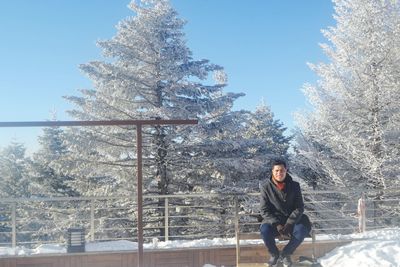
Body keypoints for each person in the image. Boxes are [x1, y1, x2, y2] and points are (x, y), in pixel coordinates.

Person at [259, 158, 311, 267]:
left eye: (282, 170)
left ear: (286, 170)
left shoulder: (295, 185)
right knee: (265, 231)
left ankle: (286, 253)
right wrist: (277, 224)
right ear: (272, 171)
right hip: (274, 221)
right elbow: (264, 210)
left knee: (302, 230)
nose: (279, 173)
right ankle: (274, 254)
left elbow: (299, 207)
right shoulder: (265, 187)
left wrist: (289, 223)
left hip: (292, 220)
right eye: (276, 170)